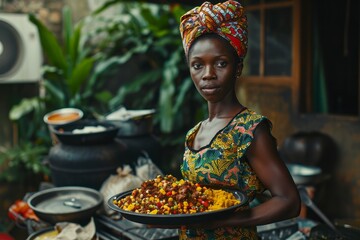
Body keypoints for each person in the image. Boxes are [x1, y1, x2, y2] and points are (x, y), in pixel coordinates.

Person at [178, 1, 301, 239]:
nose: (208, 74)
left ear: (238, 68)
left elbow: (289, 201)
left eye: (221, 63)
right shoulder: (194, 133)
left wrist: (226, 220)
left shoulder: (250, 130)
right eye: (197, 65)